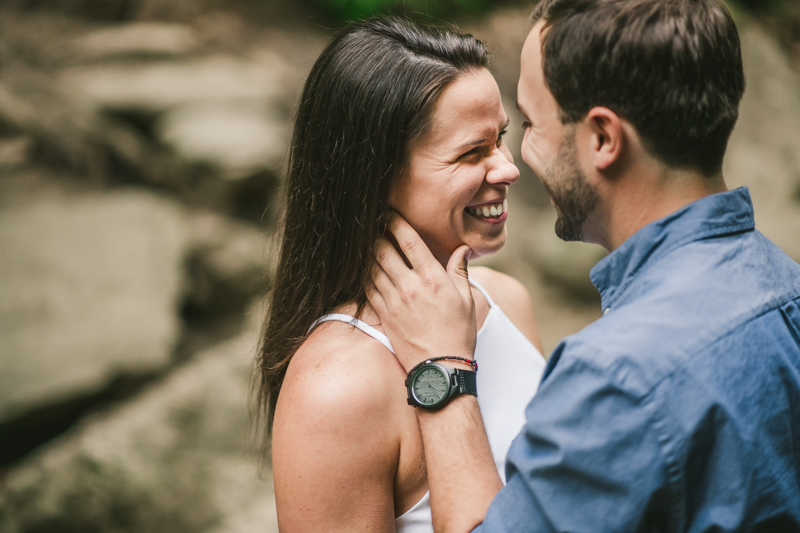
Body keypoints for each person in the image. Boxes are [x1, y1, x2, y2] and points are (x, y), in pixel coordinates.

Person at [368, 0, 800, 531]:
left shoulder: (617, 375)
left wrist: (442, 368)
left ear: (602, 139)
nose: (514, 162)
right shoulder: (787, 288)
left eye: (528, 123)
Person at [257, 17, 548, 532]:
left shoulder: (506, 299)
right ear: (374, 178)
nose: (507, 169)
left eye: (501, 138)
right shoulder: (337, 388)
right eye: (471, 152)